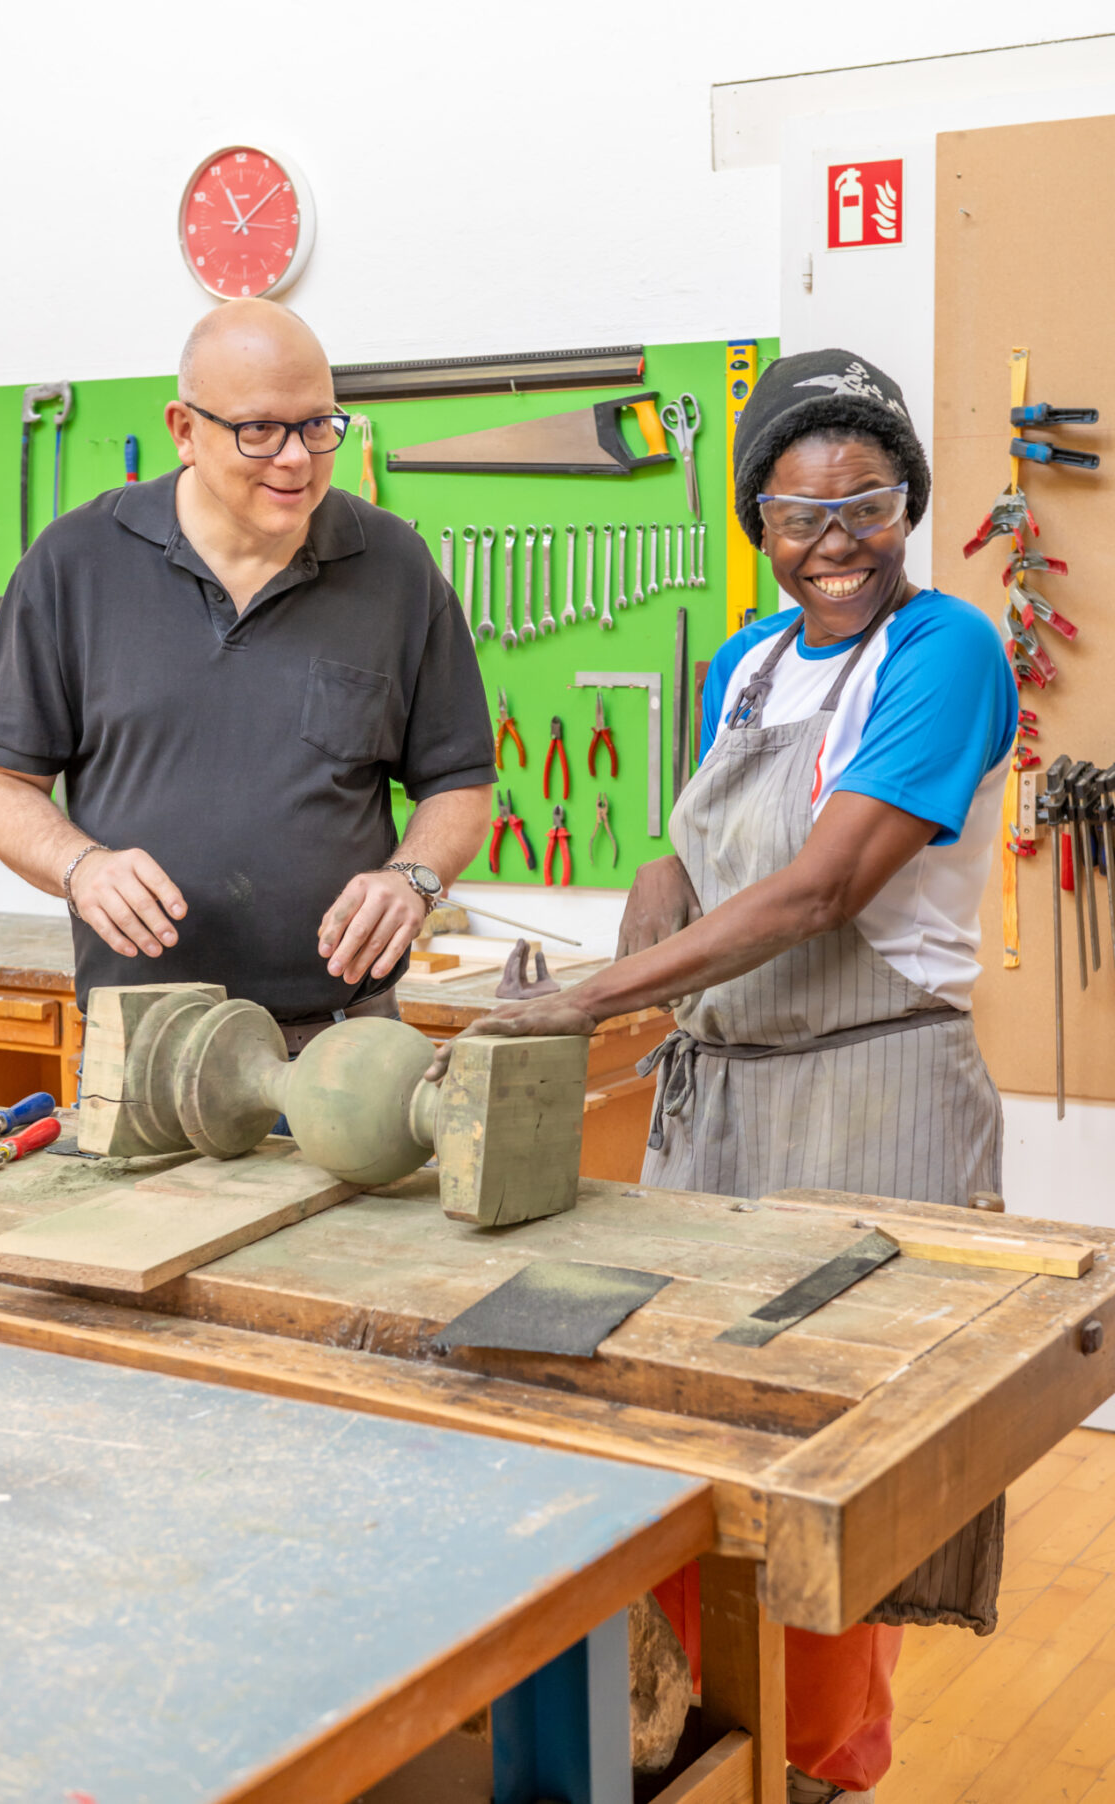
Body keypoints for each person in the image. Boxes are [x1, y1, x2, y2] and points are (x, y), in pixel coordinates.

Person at [425, 349, 1018, 1803]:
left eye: (866, 506)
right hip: (728, 1092)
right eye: (798, 514)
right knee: (680, 1432)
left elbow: (821, 892)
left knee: (825, 1474)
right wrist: (625, 966)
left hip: (872, 1090)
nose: (832, 546)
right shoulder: (744, 663)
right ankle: (697, 1737)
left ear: (907, 507)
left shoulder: (943, 656)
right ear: (756, 515)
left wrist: (590, 1000)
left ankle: (819, 1768)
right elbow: (684, 859)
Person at [0, 301, 494, 1050]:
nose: (296, 459)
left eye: (318, 426)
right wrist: (80, 867)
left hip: (344, 1042)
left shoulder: (395, 567)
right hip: (148, 1043)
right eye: (259, 430)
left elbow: (460, 784)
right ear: (184, 430)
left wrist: (413, 877)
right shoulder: (73, 563)